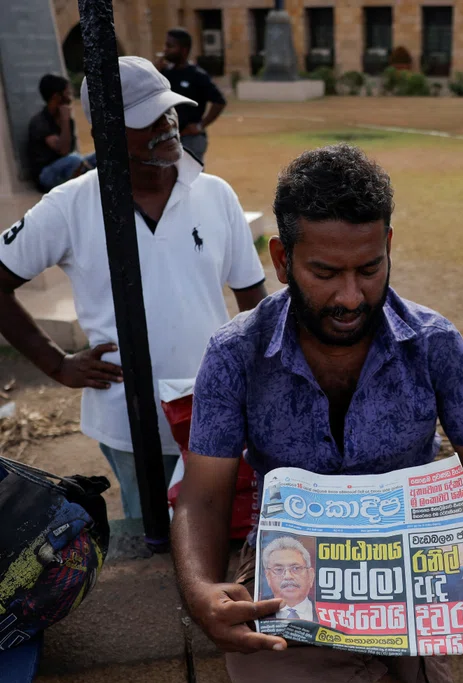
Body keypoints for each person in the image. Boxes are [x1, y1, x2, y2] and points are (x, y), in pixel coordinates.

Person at [171, 144, 463, 683]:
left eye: (370, 268)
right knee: (265, 661)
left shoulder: (433, 344)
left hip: (413, 583)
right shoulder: (237, 353)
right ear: (282, 260)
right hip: (288, 577)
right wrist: (200, 592)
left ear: (389, 248)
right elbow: (204, 495)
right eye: (325, 272)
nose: (351, 296)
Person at [0, 57, 267, 520]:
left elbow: (252, 299)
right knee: (152, 538)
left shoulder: (215, 194)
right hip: (126, 420)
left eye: (168, 110)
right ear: (105, 133)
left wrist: (259, 382)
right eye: (147, 120)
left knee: (218, 528)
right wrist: (56, 363)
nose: (167, 126)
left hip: (215, 413)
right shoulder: (71, 205)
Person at [156, 28, 226, 163]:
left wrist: (200, 126)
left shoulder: (197, 75)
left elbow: (219, 101)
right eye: (165, 45)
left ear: (184, 50)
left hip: (190, 140)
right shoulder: (164, 72)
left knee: (192, 180)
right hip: (167, 137)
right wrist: (155, 70)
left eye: (170, 46)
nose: (165, 50)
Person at [27, 74, 96, 192]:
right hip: (46, 175)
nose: (70, 97)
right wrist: (65, 120)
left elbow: (70, 150)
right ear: (56, 97)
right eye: (67, 93)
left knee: (100, 156)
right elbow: (64, 151)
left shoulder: (68, 120)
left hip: (69, 165)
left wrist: (66, 120)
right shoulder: (40, 122)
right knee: (74, 160)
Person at [261, 536, 316, 622]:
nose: (288, 576)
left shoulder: (328, 611)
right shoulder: (258, 608)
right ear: (268, 576)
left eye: (296, 568)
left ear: (310, 576)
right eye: (279, 570)